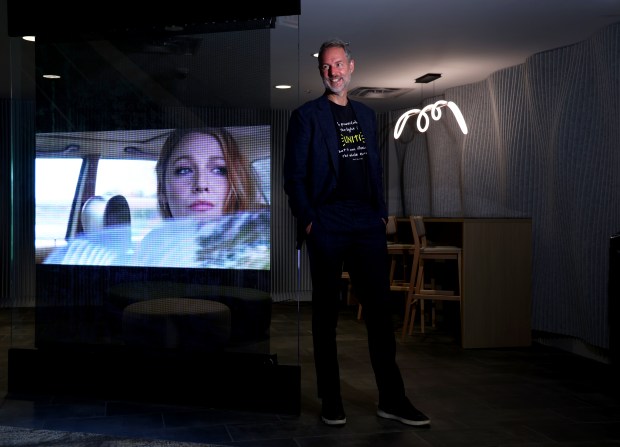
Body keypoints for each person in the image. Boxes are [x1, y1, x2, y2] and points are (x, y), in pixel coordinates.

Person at [282, 39, 430, 427]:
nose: (334, 72)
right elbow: (293, 177)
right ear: (322, 72)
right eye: (327, 66)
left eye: (339, 64)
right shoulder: (306, 117)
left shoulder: (366, 114)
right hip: (327, 224)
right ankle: (331, 399)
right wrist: (310, 221)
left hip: (366, 223)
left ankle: (392, 400)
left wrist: (380, 214)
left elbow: (375, 170)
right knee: (326, 316)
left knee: (381, 315)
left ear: (351, 66)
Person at [131, 127, 270, 269]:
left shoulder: (266, 246)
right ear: (163, 191)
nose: (201, 184)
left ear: (237, 182)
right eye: (184, 170)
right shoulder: (153, 245)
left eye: (219, 170)